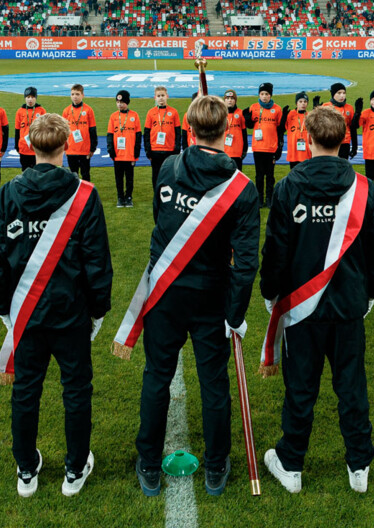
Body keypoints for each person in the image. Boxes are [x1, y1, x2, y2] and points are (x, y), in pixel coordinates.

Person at [119, 94, 259, 498]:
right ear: (228, 132)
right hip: (211, 297)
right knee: (213, 382)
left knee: (156, 377)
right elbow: (245, 263)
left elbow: (159, 219)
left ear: (189, 129)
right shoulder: (242, 189)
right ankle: (216, 466)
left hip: (164, 294)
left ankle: (148, 462)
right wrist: (236, 312)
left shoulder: (168, 166)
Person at [259, 106, 374, 495]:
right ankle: (359, 465)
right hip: (349, 307)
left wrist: (271, 295)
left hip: (303, 311)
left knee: (300, 387)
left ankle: (292, 464)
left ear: (306, 137)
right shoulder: (365, 188)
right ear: (344, 139)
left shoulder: (287, 187)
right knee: (351, 386)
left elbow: (275, 254)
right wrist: (370, 294)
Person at [0, 113, 113, 499]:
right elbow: (97, 262)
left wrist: (2, 307)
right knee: (76, 389)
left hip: (25, 313)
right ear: (66, 146)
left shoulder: (9, 193)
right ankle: (75, 468)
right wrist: (98, 309)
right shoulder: (84, 193)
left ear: (28, 145)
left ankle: (26, 468)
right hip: (71, 311)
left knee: (26, 390)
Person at [242, 82, 286, 208]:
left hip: (271, 148)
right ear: (259, 95)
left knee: (270, 176)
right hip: (258, 147)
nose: (264, 96)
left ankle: (270, 198)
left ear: (271, 95)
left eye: (267, 94)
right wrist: (248, 119)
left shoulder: (277, 109)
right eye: (262, 94)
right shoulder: (253, 107)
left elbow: (280, 130)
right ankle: (260, 198)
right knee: (259, 175)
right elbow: (250, 126)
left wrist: (280, 147)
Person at [106, 90, 141, 208]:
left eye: (122, 102)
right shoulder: (113, 116)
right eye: (117, 102)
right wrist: (111, 149)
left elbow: (138, 135)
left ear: (127, 102)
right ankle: (120, 197)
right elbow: (110, 135)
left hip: (130, 154)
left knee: (130, 178)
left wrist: (136, 152)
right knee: (119, 177)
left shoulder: (134, 116)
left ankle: (129, 197)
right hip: (118, 154)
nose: (119, 104)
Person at [143, 86, 181, 188]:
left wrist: (177, 148)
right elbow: (146, 133)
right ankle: (157, 197)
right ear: (155, 97)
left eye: (163, 95)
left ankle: (168, 198)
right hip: (155, 150)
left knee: (170, 175)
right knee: (156, 175)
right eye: (158, 96)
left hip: (169, 150)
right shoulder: (151, 112)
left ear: (167, 96)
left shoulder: (173, 112)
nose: (161, 98)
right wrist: (148, 149)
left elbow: (178, 132)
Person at [62, 84, 98, 182]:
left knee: (85, 174)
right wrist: (65, 148)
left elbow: (92, 130)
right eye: (72, 94)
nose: (75, 96)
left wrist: (92, 148)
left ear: (83, 95)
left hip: (84, 149)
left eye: (77, 94)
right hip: (71, 149)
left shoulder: (88, 110)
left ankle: (87, 195)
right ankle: (75, 196)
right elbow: (63, 131)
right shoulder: (66, 111)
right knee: (73, 175)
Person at [14, 86, 47, 171]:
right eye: (28, 97)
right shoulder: (20, 111)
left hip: (37, 147)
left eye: (32, 97)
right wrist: (17, 145)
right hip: (24, 147)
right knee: (25, 171)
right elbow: (17, 130)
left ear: (36, 98)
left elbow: (45, 130)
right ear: (25, 98)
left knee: (38, 172)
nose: (30, 100)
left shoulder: (41, 110)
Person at [321, 82, 354, 160]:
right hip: (330, 142)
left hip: (345, 142)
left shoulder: (349, 108)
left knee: (342, 167)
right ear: (333, 94)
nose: (342, 95)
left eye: (344, 93)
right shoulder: (326, 106)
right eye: (339, 93)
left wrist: (354, 147)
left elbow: (352, 126)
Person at [222, 88, 247, 170]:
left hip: (237, 152)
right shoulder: (220, 114)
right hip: (223, 152)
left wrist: (245, 149)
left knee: (237, 177)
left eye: (232, 99)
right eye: (227, 98)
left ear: (235, 100)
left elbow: (244, 132)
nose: (230, 101)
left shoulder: (240, 113)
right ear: (224, 100)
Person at [285, 91, 311, 170]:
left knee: (306, 178)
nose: (303, 104)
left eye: (305, 101)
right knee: (294, 178)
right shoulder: (290, 114)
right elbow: (282, 128)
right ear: (296, 103)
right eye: (300, 101)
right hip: (294, 153)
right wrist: (283, 117)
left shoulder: (309, 115)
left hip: (306, 153)